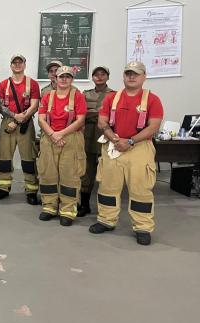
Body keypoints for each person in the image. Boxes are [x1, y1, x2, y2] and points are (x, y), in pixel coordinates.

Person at [89, 61, 163, 246]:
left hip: (139, 148)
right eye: (128, 73)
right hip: (113, 145)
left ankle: (143, 227)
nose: (132, 76)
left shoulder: (152, 99)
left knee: (140, 190)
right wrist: (114, 139)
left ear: (144, 77)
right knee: (107, 187)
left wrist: (130, 141)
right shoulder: (112, 98)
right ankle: (106, 220)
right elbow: (102, 122)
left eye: (136, 73)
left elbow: (154, 126)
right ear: (123, 76)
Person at [37, 66, 87, 226]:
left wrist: (60, 134)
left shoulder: (78, 96)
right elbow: (41, 119)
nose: (64, 79)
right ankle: (49, 207)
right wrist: (52, 134)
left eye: (68, 76)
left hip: (71, 139)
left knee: (70, 175)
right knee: (47, 173)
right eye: (61, 76)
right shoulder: (47, 96)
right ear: (55, 79)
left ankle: (68, 210)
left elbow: (80, 120)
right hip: (49, 137)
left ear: (72, 79)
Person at [0, 54, 40, 205]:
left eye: (20, 62)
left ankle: (31, 191)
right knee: (4, 157)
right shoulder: (3, 84)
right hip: (7, 123)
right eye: (15, 62)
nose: (18, 65)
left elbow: (34, 105)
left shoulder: (32, 83)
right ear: (11, 65)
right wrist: (15, 117)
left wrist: (22, 117)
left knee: (28, 158)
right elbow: (0, 106)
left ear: (25, 65)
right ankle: (3, 188)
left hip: (26, 123)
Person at [79, 66, 113, 217]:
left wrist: (91, 115)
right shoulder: (85, 94)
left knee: (107, 172)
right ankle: (85, 206)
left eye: (103, 74)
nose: (99, 77)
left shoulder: (114, 95)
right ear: (92, 77)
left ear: (107, 76)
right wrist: (97, 115)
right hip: (87, 136)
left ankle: (106, 210)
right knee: (86, 172)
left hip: (105, 136)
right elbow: (80, 113)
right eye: (96, 74)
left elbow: (113, 116)